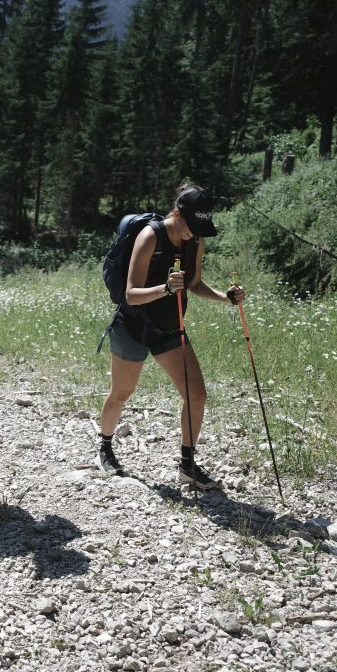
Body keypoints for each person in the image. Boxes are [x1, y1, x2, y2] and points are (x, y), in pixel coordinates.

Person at [95, 183, 244, 490]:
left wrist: (225, 298)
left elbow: (195, 283)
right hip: (133, 325)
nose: (195, 233)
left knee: (197, 395)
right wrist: (165, 288)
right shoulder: (150, 236)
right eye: (192, 224)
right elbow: (131, 294)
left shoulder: (195, 239)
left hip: (169, 327)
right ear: (178, 213)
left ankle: (187, 465)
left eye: (201, 227)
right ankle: (105, 448)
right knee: (121, 393)